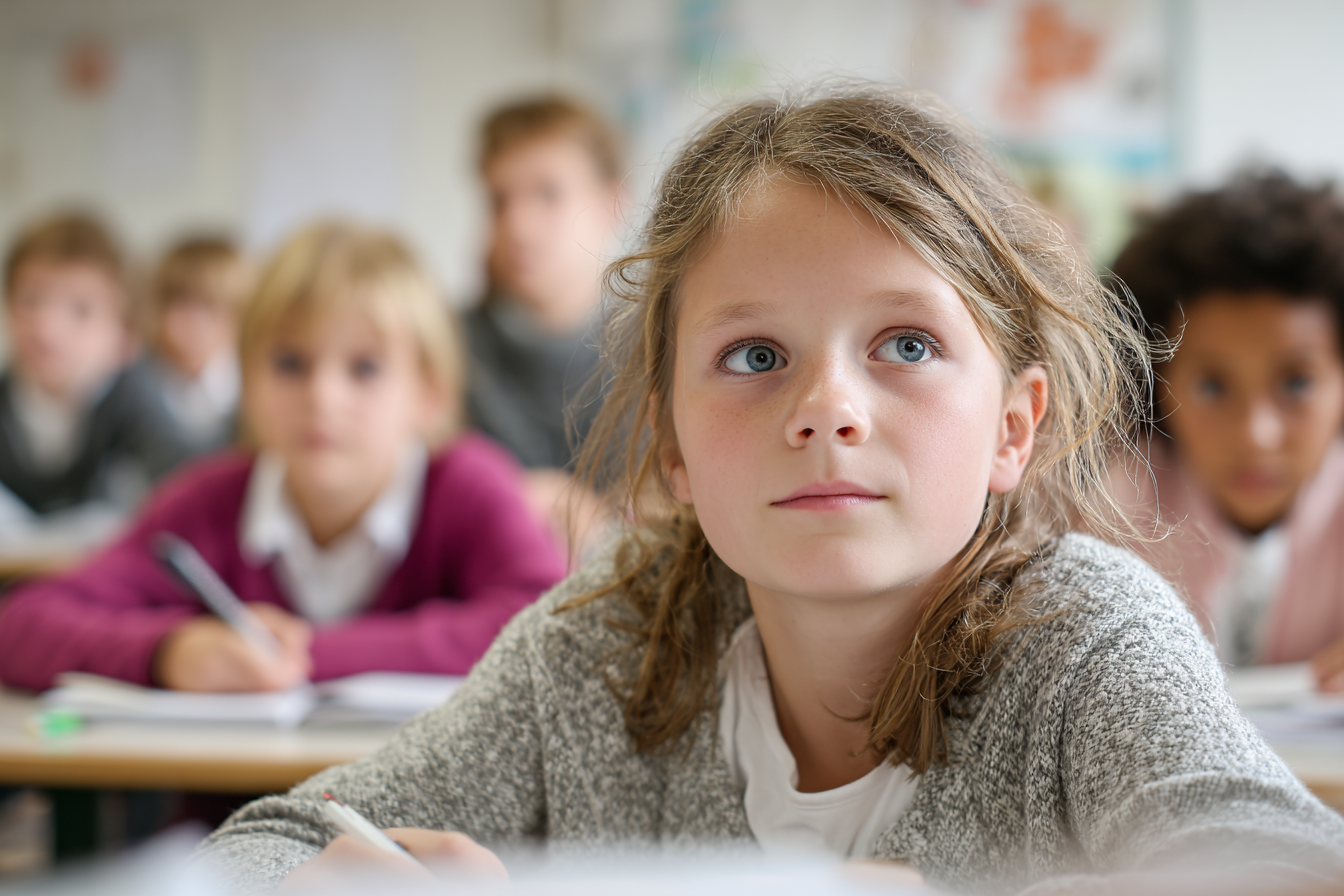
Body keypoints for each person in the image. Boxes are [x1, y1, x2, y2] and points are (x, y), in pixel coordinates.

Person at [197, 89, 1344, 894]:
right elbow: (262, 840)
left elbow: (1290, 865)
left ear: (1015, 423)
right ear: (676, 449)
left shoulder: (1089, 636)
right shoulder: (606, 645)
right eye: (754, 356)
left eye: (903, 344)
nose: (827, 408)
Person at [0, 221, 565, 693]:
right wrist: (169, 652)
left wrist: (300, 653)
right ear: (247, 379)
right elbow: (22, 624)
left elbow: (547, 626)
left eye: (364, 368)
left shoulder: (468, 484)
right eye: (290, 364)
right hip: (221, 824)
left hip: (423, 827)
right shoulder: (207, 501)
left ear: (430, 392)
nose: (322, 397)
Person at [1109, 171, 1344, 685]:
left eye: (1297, 383)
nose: (1255, 435)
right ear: (1157, 382)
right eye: (1212, 387)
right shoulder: (1100, 509)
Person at [465, 96, 624, 554]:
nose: (518, 225)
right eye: (499, 201)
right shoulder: (445, 351)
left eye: (548, 194)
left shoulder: (668, 351)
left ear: (612, 203)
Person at [0, 211, 192, 555]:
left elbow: (181, 498)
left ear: (125, 336)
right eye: (30, 300)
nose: (47, 328)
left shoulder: (139, 400)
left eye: (80, 310)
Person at [136, 234, 249, 454]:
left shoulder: (250, 392)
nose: (193, 324)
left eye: (209, 308)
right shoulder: (138, 386)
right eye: (180, 305)